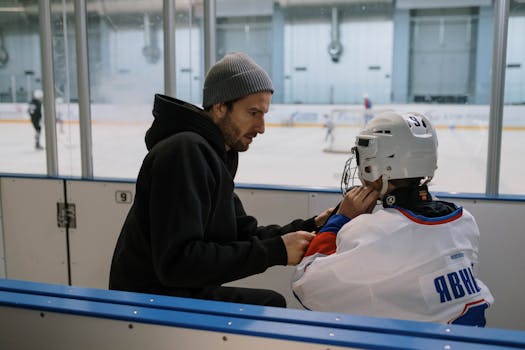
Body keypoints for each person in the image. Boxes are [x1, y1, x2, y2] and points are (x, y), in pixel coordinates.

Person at [109, 52, 332, 307]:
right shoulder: (185, 153)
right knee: (270, 305)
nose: (262, 127)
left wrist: (314, 226)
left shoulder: (213, 155)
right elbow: (177, 264)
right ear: (220, 106)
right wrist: (276, 252)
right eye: (253, 113)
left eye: (264, 115)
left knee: (270, 304)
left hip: (172, 292)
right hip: (148, 302)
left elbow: (242, 234)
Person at [292, 111, 494, 326]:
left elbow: (306, 284)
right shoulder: (464, 221)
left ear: (375, 166)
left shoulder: (370, 231)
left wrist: (340, 219)